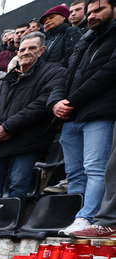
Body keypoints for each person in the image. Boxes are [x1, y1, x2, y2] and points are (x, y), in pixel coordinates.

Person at [49, 0, 116, 235]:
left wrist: (71, 101)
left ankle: (88, 217)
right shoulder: (84, 42)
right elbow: (65, 78)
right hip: (71, 117)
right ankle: (77, 218)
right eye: (89, 12)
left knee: (95, 168)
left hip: (98, 112)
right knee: (75, 173)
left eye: (98, 10)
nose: (91, 16)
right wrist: (55, 102)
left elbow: (107, 74)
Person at [0, 32, 66, 206]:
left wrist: (8, 127)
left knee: (17, 188)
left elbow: (42, 104)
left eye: (32, 48)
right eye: (22, 49)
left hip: (26, 143)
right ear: (17, 52)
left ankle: (7, 227)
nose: (26, 52)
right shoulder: (2, 83)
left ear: (42, 50)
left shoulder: (54, 72)